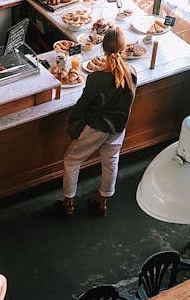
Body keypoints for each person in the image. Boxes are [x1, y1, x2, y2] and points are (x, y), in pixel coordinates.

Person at [55, 29, 137, 219]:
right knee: (110, 162)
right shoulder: (131, 72)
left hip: (96, 128)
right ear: (123, 48)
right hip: (118, 128)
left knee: (71, 161)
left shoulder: (96, 78)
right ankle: (103, 203)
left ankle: (68, 204)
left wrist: (72, 122)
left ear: (103, 48)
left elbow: (82, 106)